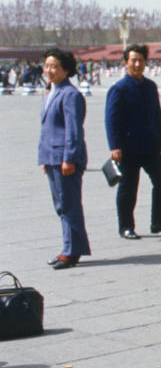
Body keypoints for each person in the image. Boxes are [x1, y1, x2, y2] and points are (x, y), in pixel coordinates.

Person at [105, 44, 161, 239]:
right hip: (128, 147)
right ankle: (126, 227)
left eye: (141, 60)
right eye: (133, 60)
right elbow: (111, 120)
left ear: (146, 62)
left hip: (150, 145)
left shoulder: (150, 86)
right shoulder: (118, 89)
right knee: (128, 188)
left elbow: (157, 114)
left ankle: (160, 222)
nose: (137, 64)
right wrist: (114, 146)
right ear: (126, 63)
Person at [39, 48, 91, 270]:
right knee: (61, 205)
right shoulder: (52, 91)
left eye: (55, 66)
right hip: (52, 157)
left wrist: (69, 158)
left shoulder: (70, 94)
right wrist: (45, 159)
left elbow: (73, 131)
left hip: (64, 159)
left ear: (66, 70)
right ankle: (70, 247)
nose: (50, 70)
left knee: (68, 205)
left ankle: (71, 251)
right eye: (47, 66)